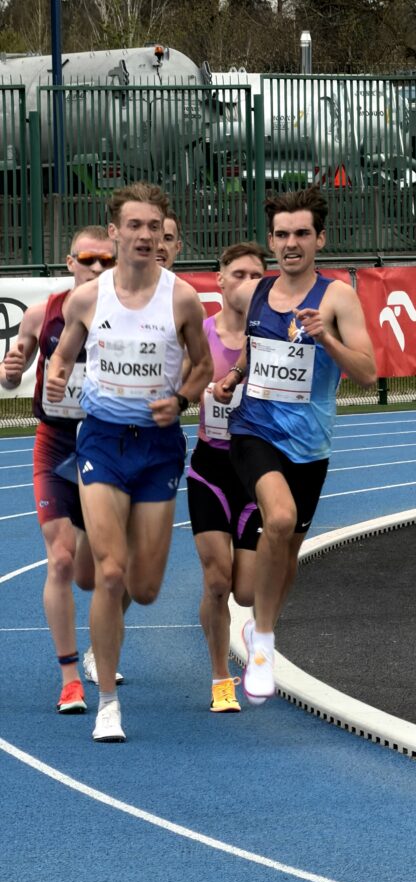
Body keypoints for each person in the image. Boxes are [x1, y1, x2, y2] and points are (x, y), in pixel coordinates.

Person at [46, 182, 213, 742]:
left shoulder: (181, 298)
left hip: (157, 449)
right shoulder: (88, 299)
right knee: (110, 574)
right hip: (102, 441)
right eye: (134, 226)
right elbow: (63, 356)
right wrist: (56, 376)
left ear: (163, 234)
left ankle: (96, 539)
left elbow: (203, 366)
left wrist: (181, 400)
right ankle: (108, 705)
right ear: (114, 232)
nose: (145, 236)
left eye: (154, 227)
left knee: (143, 588)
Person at [214, 186, 377, 706]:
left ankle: (262, 626)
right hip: (253, 431)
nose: (291, 243)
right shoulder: (256, 293)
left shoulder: (337, 297)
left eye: (301, 233)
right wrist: (233, 377)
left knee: (288, 556)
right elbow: (255, 351)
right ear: (271, 241)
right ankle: (262, 642)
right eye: (282, 235)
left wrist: (325, 338)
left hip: (310, 446)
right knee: (279, 520)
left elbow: (368, 374)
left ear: (319, 239)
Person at [0, 227, 123, 714]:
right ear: (70, 263)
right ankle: (70, 678)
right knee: (61, 560)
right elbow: (12, 373)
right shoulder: (42, 313)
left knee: (97, 573)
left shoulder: (130, 319)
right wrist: (11, 372)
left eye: (107, 261)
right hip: (55, 445)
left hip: (107, 449)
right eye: (88, 259)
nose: (96, 268)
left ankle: (99, 646)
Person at [187, 242, 268, 713]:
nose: (247, 282)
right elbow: (176, 384)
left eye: (256, 275)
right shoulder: (199, 334)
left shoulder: (274, 337)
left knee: (247, 591)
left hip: (256, 471)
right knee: (217, 582)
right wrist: (199, 389)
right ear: (219, 281)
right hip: (210, 470)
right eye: (238, 274)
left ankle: (257, 632)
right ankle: (221, 678)